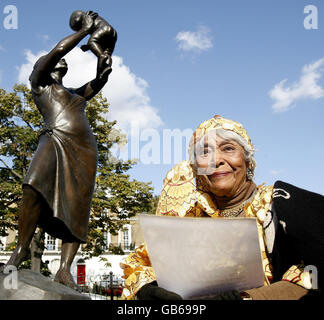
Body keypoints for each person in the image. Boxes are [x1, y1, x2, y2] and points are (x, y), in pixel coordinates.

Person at [120, 115, 324, 300]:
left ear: (247, 161)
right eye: (204, 152)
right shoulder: (189, 217)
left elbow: (313, 273)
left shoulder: (280, 205)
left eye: (228, 148)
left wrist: (252, 297)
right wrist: (147, 288)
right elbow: (142, 264)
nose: (216, 160)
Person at [0, 11, 113, 291]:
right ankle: (21, 249)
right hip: (53, 139)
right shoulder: (40, 83)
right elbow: (60, 49)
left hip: (83, 150)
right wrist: (84, 31)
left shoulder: (75, 94)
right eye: (54, 60)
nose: (61, 60)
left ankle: (64, 269)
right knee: (32, 185)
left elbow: (98, 82)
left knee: (77, 207)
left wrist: (103, 61)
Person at [69, 10, 117, 74]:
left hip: (103, 29)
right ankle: (106, 67)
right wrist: (88, 47)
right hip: (113, 33)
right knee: (107, 53)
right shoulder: (92, 18)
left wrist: (89, 44)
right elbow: (98, 41)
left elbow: (93, 41)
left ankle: (102, 56)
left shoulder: (88, 18)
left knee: (91, 42)